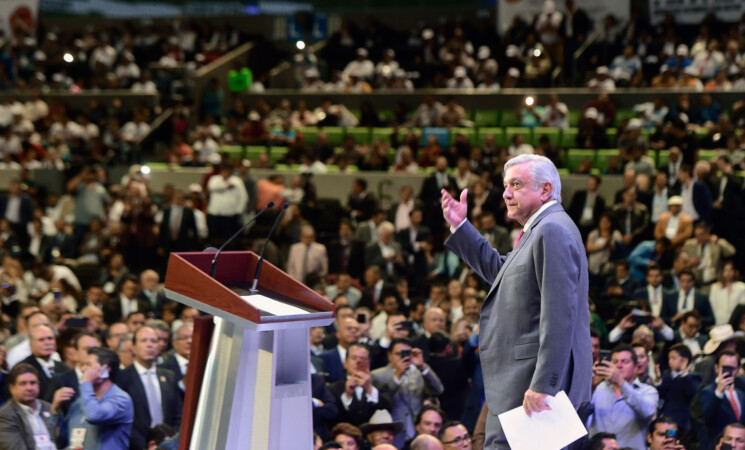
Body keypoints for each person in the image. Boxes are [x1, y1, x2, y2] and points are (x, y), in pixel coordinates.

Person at [440, 153, 592, 449]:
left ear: (545, 190)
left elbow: (559, 315)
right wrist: (461, 227)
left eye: (517, 185)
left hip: (532, 387)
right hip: (524, 384)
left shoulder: (552, 230)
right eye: (506, 185)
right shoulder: (541, 230)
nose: (506, 193)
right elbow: (501, 272)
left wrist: (543, 384)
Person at [115, 326, 182, 450]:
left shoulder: (169, 376)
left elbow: (178, 415)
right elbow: (123, 419)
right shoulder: (122, 378)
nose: (149, 345)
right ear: (133, 348)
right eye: (143, 341)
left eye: (153, 341)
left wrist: (170, 443)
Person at [371, 338, 444, 448]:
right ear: (389, 355)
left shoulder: (418, 373)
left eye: (407, 353)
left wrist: (422, 366)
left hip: (417, 434)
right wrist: (397, 375)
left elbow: (438, 389)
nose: (403, 357)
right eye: (399, 354)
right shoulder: (377, 375)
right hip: (394, 435)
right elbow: (379, 402)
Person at [589, 344, 658, 449]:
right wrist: (590, 387)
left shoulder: (648, 391)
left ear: (635, 367)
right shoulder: (599, 388)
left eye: (624, 362)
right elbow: (580, 414)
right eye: (615, 362)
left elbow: (648, 412)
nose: (619, 365)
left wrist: (621, 383)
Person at [66, 347, 134, 449]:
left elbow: (94, 415)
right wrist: (55, 410)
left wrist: (86, 382)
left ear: (106, 369)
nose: (82, 369)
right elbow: (66, 437)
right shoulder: (81, 401)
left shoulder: (121, 399)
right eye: (83, 364)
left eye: (88, 365)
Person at [0, 363, 63, 450]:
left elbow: (62, 442)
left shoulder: (49, 408)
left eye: (33, 383)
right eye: (23, 384)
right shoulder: (5, 415)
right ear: (11, 388)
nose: (29, 388)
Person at [696, 350, 745, 450]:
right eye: (725, 367)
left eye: (732, 368)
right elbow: (707, 417)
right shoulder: (707, 392)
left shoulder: (741, 394)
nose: (728, 372)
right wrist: (719, 392)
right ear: (717, 368)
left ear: (738, 369)